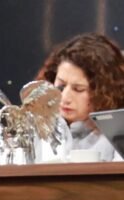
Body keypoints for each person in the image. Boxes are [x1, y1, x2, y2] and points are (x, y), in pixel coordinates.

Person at [36, 33, 124, 161]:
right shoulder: (40, 130)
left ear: (104, 92)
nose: (65, 98)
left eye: (78, 89)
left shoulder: (118, 135)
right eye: (61, 86)